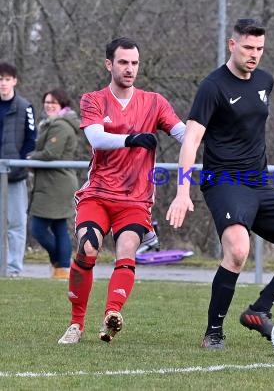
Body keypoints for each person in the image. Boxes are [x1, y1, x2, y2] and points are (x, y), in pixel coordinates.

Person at [166, 18, 274, 350]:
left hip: (259, 183)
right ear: (232, 45)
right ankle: (213, 332)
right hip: (223, 181)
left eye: (260, 49)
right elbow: (192, 139)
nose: (254, 55)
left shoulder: (265, 81)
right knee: (238, 251)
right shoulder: (213, 86)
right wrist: (183, 190)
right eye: (248, 48)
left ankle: (259, 310)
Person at [57, 37, 186, 344]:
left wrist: (207, 130)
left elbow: (183, 134)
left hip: (135, 199)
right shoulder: (93, 99)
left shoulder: (155, 102)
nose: (130, 69)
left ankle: (111, 315)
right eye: (124, 62)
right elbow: (97, 139)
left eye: (134, 63)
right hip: (98, 195)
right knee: (87, 249)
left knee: (126, 250)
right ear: (109, 64)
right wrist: (131, 139)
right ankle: (76, 324)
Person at [28, 88, 80, 279]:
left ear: (62, 106)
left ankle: (59, 262)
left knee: (38, 229)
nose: (49, 105)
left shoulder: (61, 126)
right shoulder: (51, 123)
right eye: (47, 102)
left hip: (56, 184)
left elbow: (51, 153)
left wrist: (30, 158)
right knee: (59, 227)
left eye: (54, 103)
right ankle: (63, 270)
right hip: (51, 182)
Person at [0, 62, 36, 278]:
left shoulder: (25, 106)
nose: (3, 83)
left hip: (15, 176)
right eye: (0, 79)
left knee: (16, 224)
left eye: (7, 79)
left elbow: (31, 140)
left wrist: (20, 162)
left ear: (14, 81)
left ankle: (13, 269)